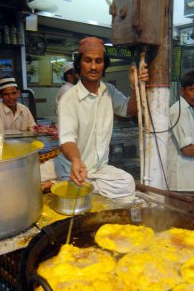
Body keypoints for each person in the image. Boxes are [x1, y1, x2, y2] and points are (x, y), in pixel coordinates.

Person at [41, 36, 149, 198]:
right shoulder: (69, 99)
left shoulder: (109, 91)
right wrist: (76, 160)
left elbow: (129, 110)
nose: (93, 67)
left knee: (127, 183)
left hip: (99, 170)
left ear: (104, 64)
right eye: (88, 61)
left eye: (98, 61)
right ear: (79, 64)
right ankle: (70, 184)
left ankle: (70, 187)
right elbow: (67, 140)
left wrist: (135, 85)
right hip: (73, 168)